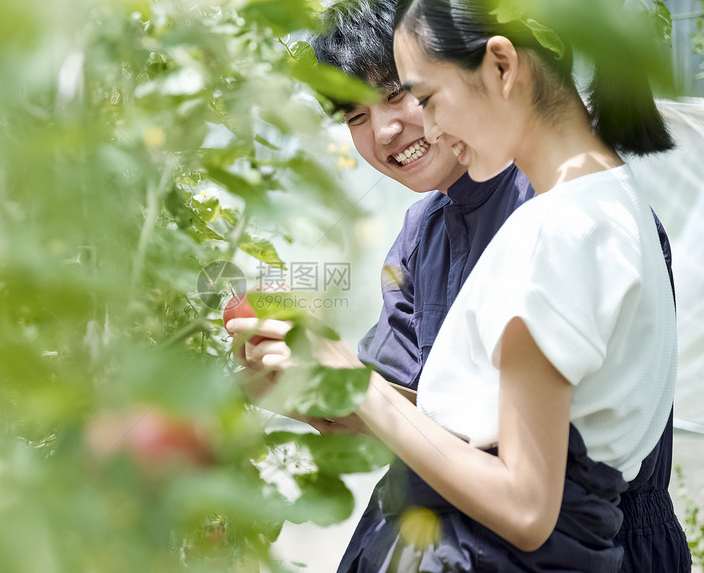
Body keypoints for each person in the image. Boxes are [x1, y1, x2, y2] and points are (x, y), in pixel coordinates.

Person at [229, 1, 690, 571]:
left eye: (412, 96)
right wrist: (318, 385)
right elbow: (445, 425)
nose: (392, 129)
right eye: (353, 117)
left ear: (500, 68)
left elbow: (529, 497)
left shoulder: (551, 223)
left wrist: (359, 388)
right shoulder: (434, 230)